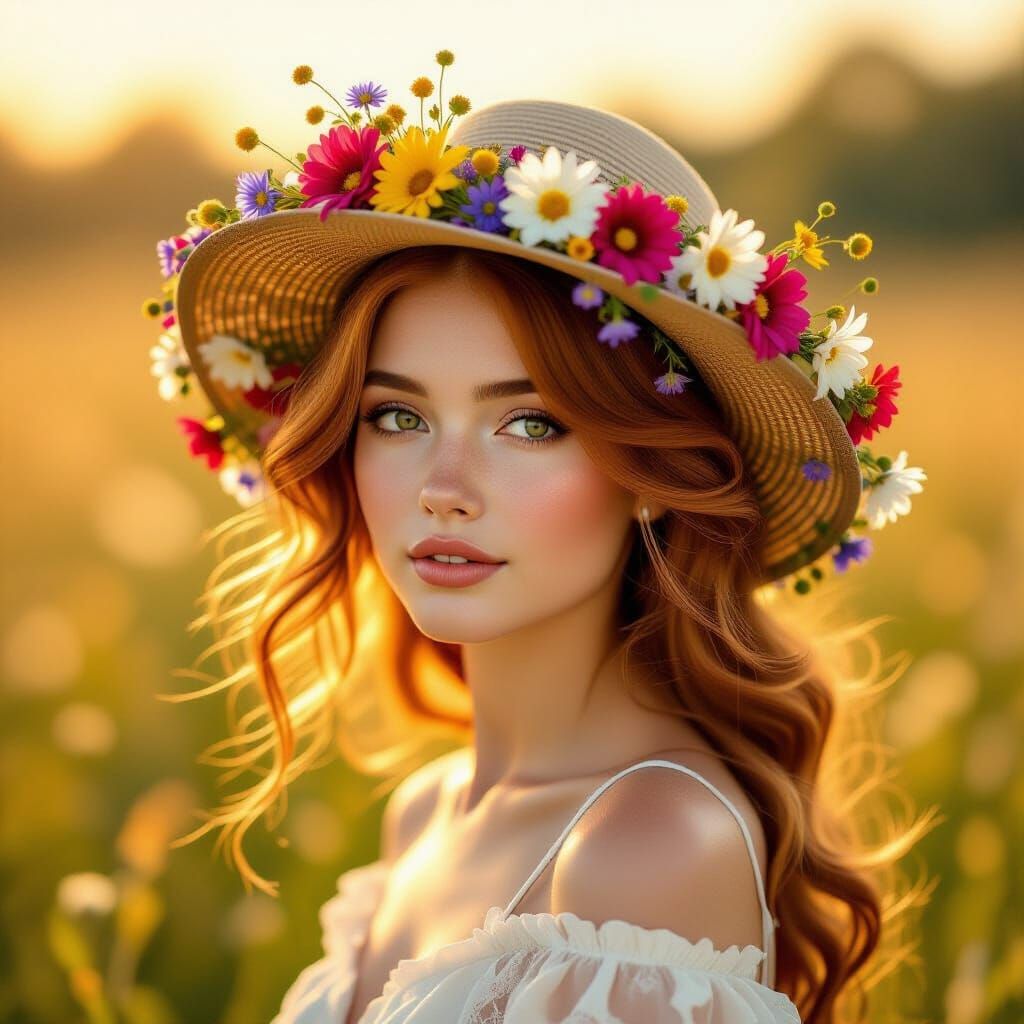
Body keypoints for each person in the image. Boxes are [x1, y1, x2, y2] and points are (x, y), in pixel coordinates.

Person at [143, 51, 935, 1024]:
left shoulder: (650, 845)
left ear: (654, 477)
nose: (443, 489)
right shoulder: (422, 812)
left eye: (530, 424)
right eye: (397, 416)